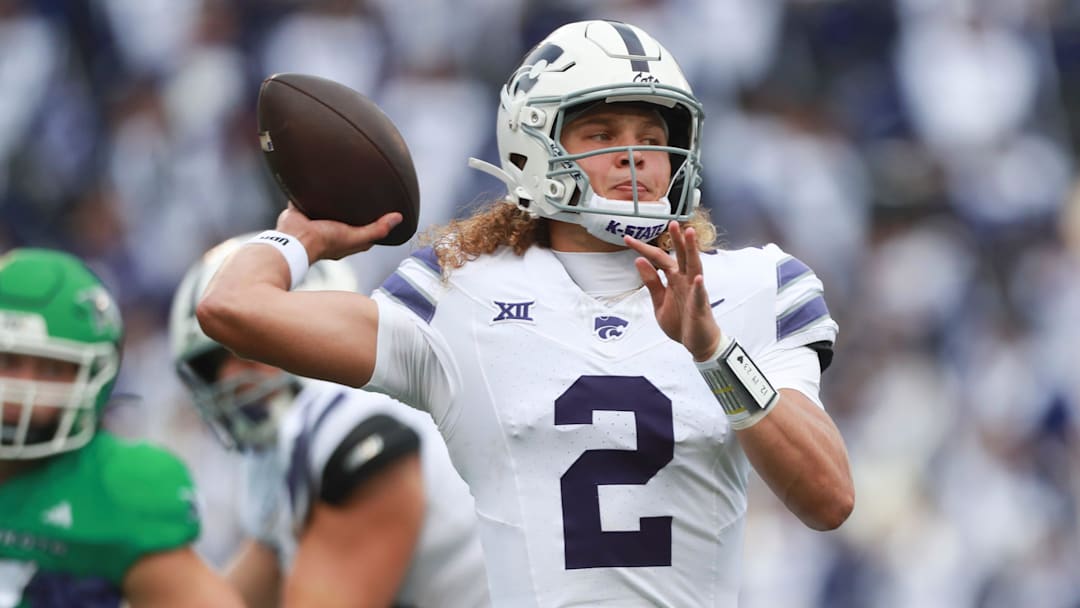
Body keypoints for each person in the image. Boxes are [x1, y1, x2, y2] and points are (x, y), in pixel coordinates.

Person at [198, 20, 854, 607]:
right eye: (602, 133)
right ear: (532, 148)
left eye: (653, 137)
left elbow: (828, 499)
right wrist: (300, 238)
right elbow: (231, 307)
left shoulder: (754, 285)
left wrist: (713, 352)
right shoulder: (459, 295)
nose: (636, 158)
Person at [169, 234, 490, 608]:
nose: (230, 379)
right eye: (211, 367)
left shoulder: (347, 420)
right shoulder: (279, 455)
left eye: (245, 349)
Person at [0, 248, 243, 607]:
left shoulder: (117, 491)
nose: (23, 391)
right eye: (7, 361)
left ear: (97, 378)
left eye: (51, 369)